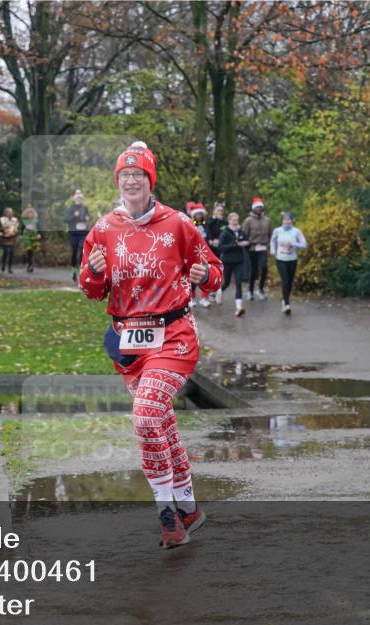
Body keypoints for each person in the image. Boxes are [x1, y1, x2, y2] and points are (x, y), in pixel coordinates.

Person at [79, 141, 222, 548]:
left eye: (138, 175)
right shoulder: (104, 229)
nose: (130, 182)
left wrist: (202, 275)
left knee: (145, 417)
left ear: (150, 180)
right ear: (118, 182)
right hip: (130, 343)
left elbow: (215, 270)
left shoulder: (177, 224)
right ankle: (189, 508)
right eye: (124, 176)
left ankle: (167, 515)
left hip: (174, 337)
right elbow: (91, 289)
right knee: (161, 421)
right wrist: (92, 272)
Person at [269, 211, 308, 314]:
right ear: (282, 221)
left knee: (290, 282)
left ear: (291, 221)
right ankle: (287, 304)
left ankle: (284, 300)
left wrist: (294, 244)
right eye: (285, 219)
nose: (286, 221)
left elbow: (304, 245)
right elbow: (272, 241)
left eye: (288, 220)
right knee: (285, 280)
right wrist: (273, 250)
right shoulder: (277, 231)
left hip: (292, 259)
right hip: (280, 259)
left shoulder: (296, 231)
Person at [217, 212, 250, 317]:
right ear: (229, 221)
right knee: (226, 283)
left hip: (239, 261)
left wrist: (246, 244)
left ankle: (239, 307)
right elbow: (221, 247)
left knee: (238, 283)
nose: (236, 222)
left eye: (237, 220)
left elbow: (247, 242)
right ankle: (219, 291)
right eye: (233, 220)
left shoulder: (242, 232)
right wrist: (233, 245)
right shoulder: (225, 233)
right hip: (227, 261)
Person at [243, 197, 272, 301]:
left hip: (263, 247)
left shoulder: (267, 220)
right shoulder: (248, 221)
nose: (259, 209)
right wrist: (247, 247)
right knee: (254, 270)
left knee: (264, 268)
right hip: (252, 248)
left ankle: (260, 289)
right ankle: (250, 290)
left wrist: (269, 246)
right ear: (253, 209)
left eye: (260, 207)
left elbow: (271, 234)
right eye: (257, 207)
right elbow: (244, 235)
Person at [186, 202, 211, 308]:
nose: (199, 216)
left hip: (205, 254)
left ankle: (204, 298)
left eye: (201, 214)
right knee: (194, 278)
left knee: (206, 276)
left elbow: (209, 236)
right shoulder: (189, 223)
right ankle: (191, 298)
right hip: (193, 254)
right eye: (198, 214)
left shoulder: (206, 224)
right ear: (194, 215)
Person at [66, 190, 91, 282]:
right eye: (78, 198)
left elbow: (88, 218)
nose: (79, 200)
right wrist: (74, 216)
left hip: (83, 233)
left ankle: (81, 272)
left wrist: (88, 220)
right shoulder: (71, 208)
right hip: (73, 234)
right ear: (75, 199)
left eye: (80, 198)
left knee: (82, 250)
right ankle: (73, 272)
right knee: (74, 252)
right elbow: (66, 220)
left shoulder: (85, 208)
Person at [206, 203, 227, 304]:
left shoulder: (224, 222)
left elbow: (226, 232)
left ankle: (216, 291)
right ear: (214, 211)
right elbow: (207, 229)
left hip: (221, 249)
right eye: (218, 210)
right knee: (211, 270)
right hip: (210, 249)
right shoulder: (209, 220)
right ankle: (210, 292)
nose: (220, 212)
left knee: (219, 270)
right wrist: (210, 239)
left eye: (222, 211)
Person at [20, 206, 43, 273]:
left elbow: (39, 228)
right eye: (28, 214)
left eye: (31, 213)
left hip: (34, 236)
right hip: (27, 236)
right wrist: (21, 235)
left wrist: (39, 234)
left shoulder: (36, 221)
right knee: (29, 250)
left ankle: (31, 263)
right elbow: (22, 228)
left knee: (33, 250)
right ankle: (30, 264)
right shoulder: (24, 221)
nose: (30, 215)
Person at [0, 207, 19, 273]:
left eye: (11, 212)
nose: (10, 214)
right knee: (6, 252)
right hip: (4, 238)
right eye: (9, 212)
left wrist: (16, 233)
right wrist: (1, 230)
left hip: (12, 238)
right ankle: (3, 265)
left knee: (12, 253)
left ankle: (10, 268)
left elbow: (17, 228)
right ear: (5, 213)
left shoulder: (15, 220)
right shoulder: (1, 220)